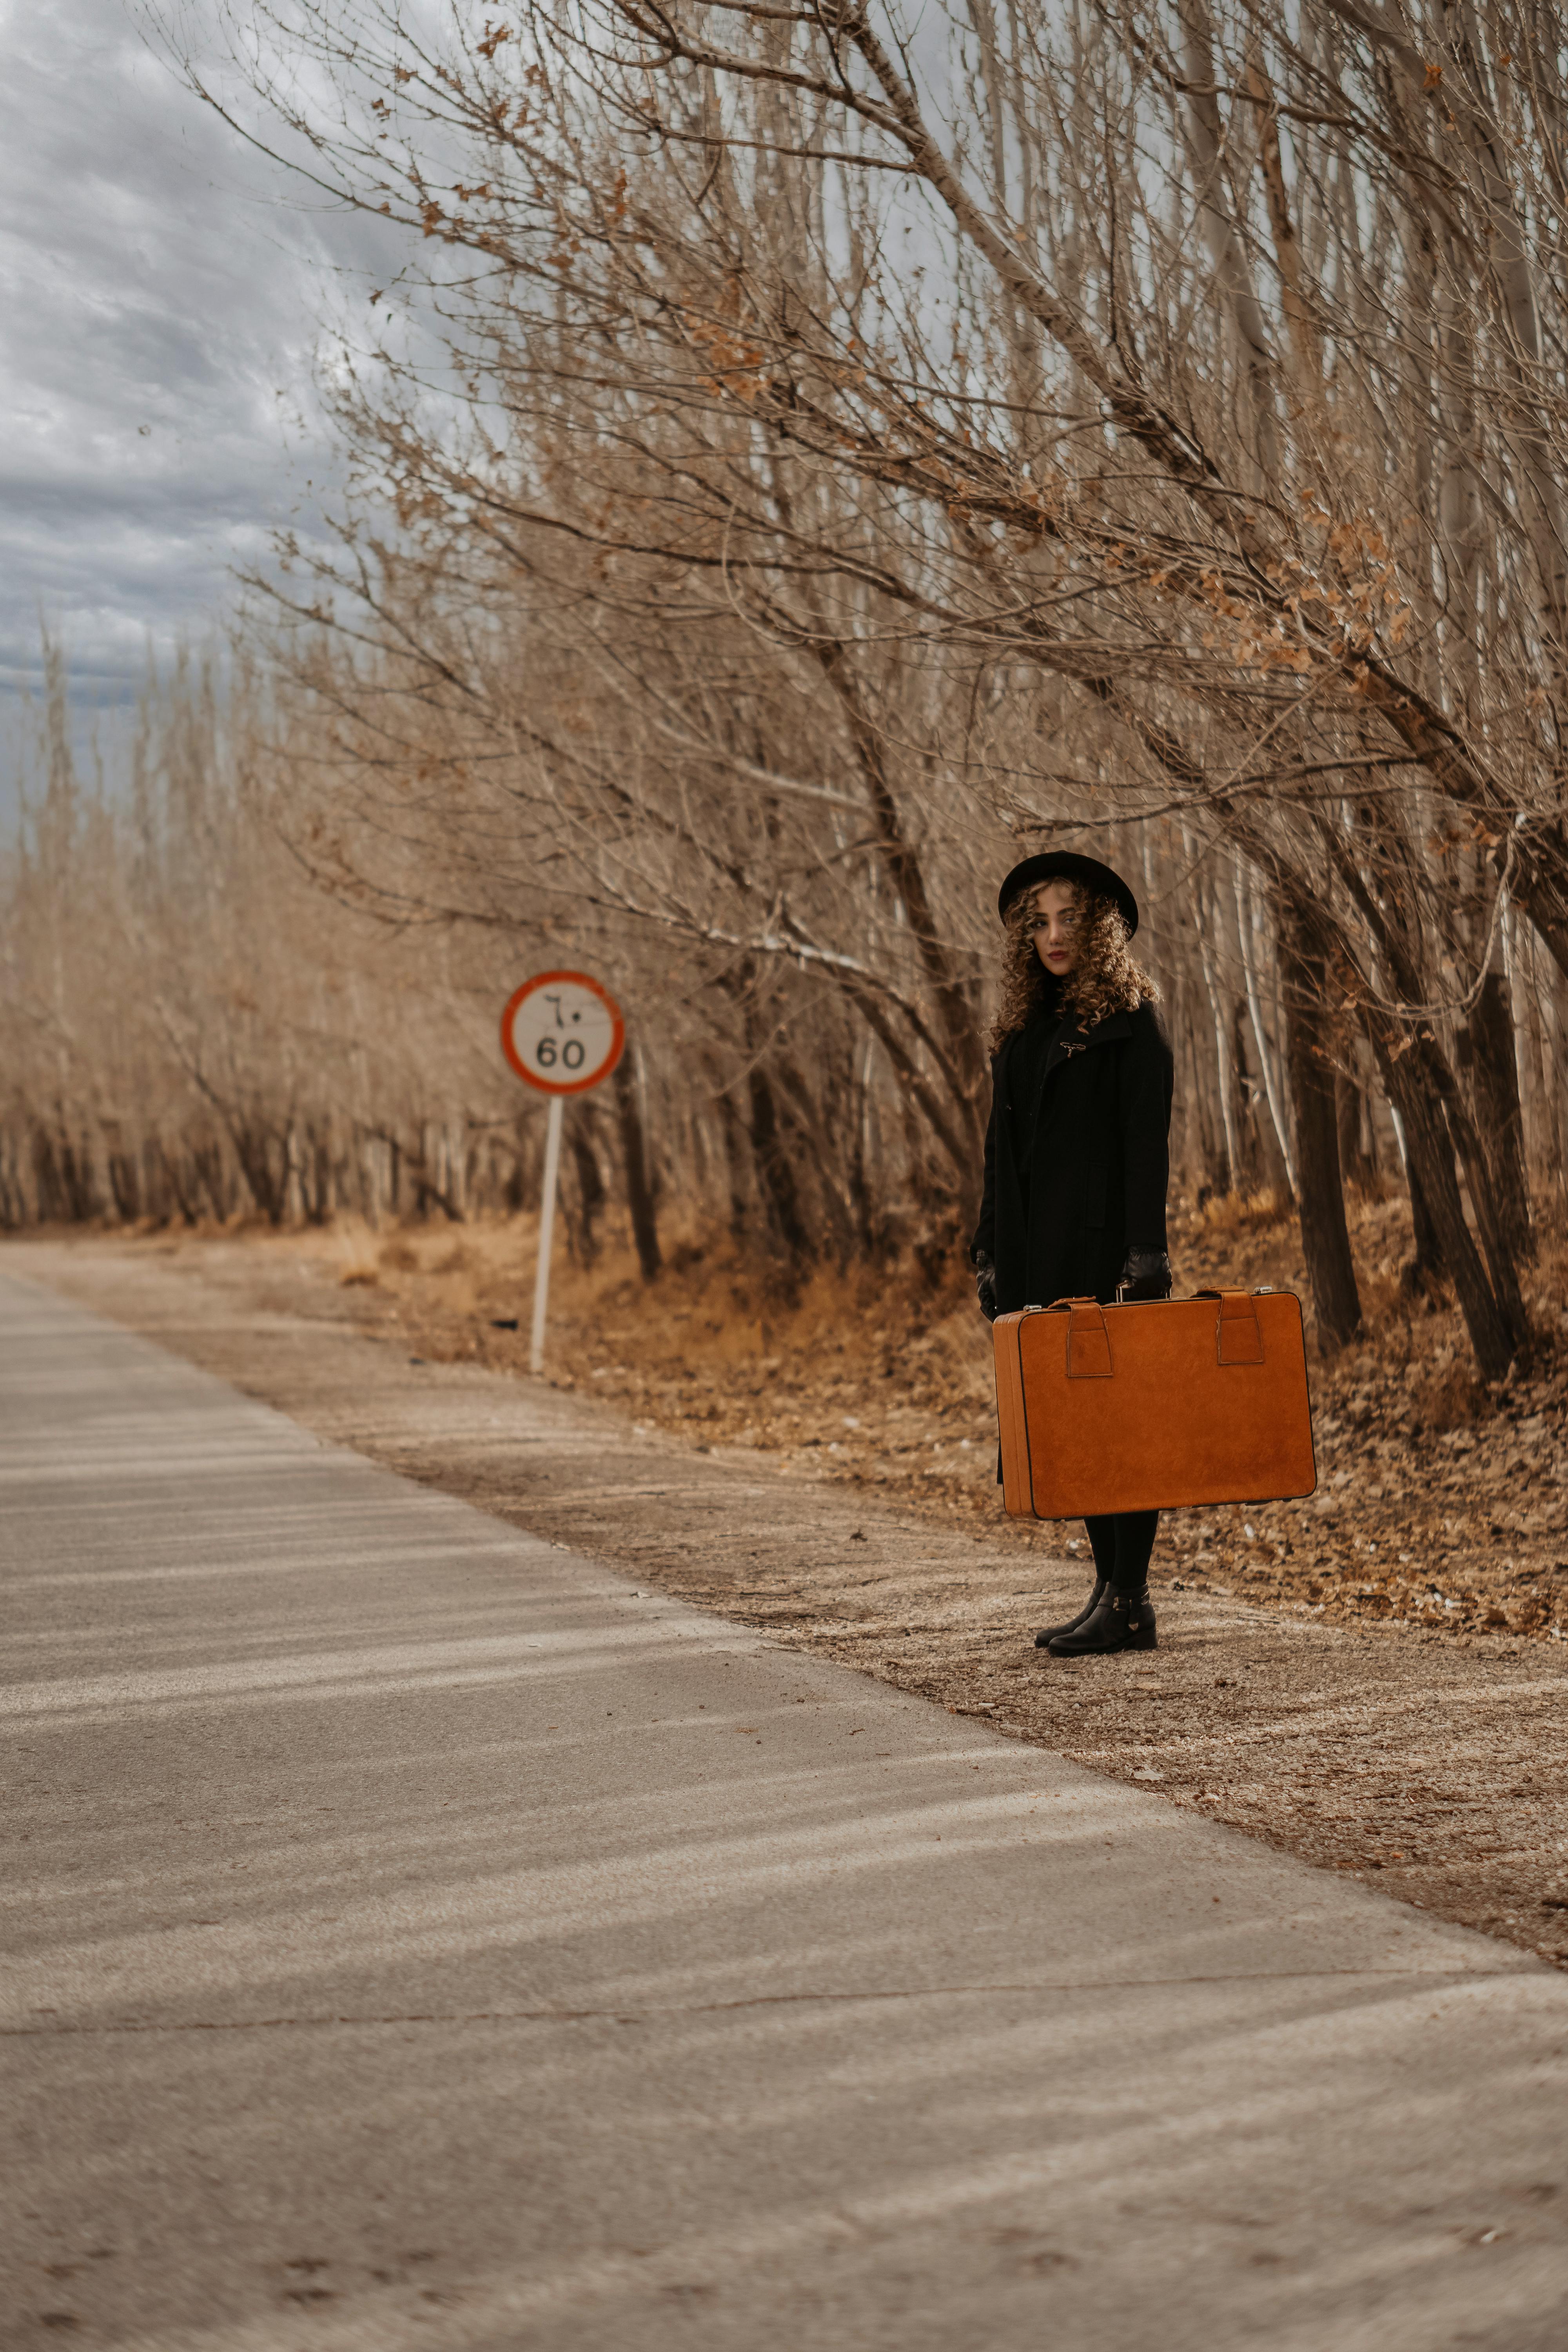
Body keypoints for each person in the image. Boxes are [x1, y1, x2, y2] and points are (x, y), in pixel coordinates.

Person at [971, 851, 1174, 1657]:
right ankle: (1108, 1590)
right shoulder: (1022, 1034)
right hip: (1036, 1259)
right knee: (1076, 1431)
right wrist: (987, 1249)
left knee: (1122, 1429)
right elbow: (999, 1154)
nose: (1054, 935)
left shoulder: (1131, 1023)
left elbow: (1145, 1147)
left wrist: (1145, 1252)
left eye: (1069, 919)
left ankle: (1131, 1599)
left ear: (1099, 928)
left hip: (1104, 1257)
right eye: (1040, 922)